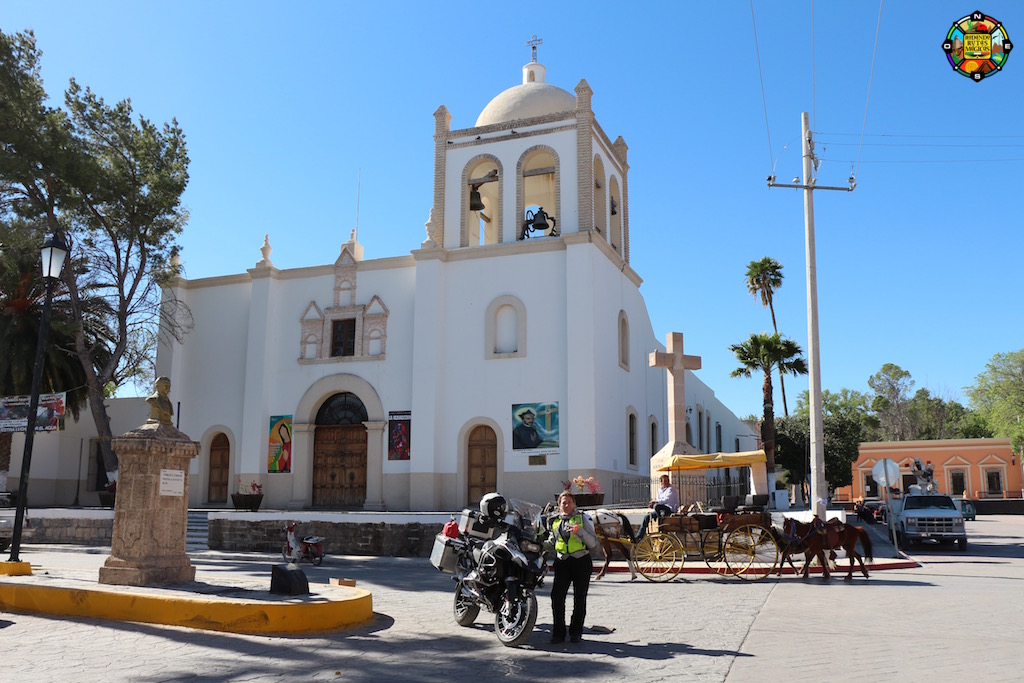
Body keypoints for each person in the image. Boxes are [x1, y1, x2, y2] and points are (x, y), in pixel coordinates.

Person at [549, 490, 598, 644]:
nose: (566, 505)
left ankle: (576, 632)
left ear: (574, 504)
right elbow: (551, 542)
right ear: (559, 505)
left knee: (579, 598)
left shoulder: (583, 518)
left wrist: (579, 531)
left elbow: (593, 543)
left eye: (569, 502)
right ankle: (559, 632)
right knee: (557, 597)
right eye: (563, 502)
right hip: (562, 562)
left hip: (581, 561)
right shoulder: (555, 521)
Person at [635, 474, 678, 542]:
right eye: (665, 481)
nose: (667, 482)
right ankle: (639, 537)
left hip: (669, 509)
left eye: (667, 481)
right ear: (661, 482)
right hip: (661, 511)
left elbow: (666, 500)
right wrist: (654, 503)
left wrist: (655, 502)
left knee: (656, 506)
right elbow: (659, 500)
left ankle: (660, 520)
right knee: (647, 516)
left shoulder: (671, 489)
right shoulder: (660, 490)